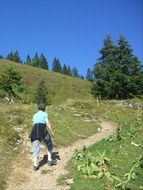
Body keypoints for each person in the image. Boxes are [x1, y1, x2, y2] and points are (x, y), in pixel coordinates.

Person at [29, 103, 56, 171]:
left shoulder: (34, 115)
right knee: (49, 143)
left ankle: (35, 165)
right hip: (42, 129)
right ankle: (49, 160)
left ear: (38, 108)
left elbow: (33, 124)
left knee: (36, 147)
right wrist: (51, 131)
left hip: (35, 131)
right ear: (44, 108)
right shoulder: (44, 114)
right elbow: (47, 123)